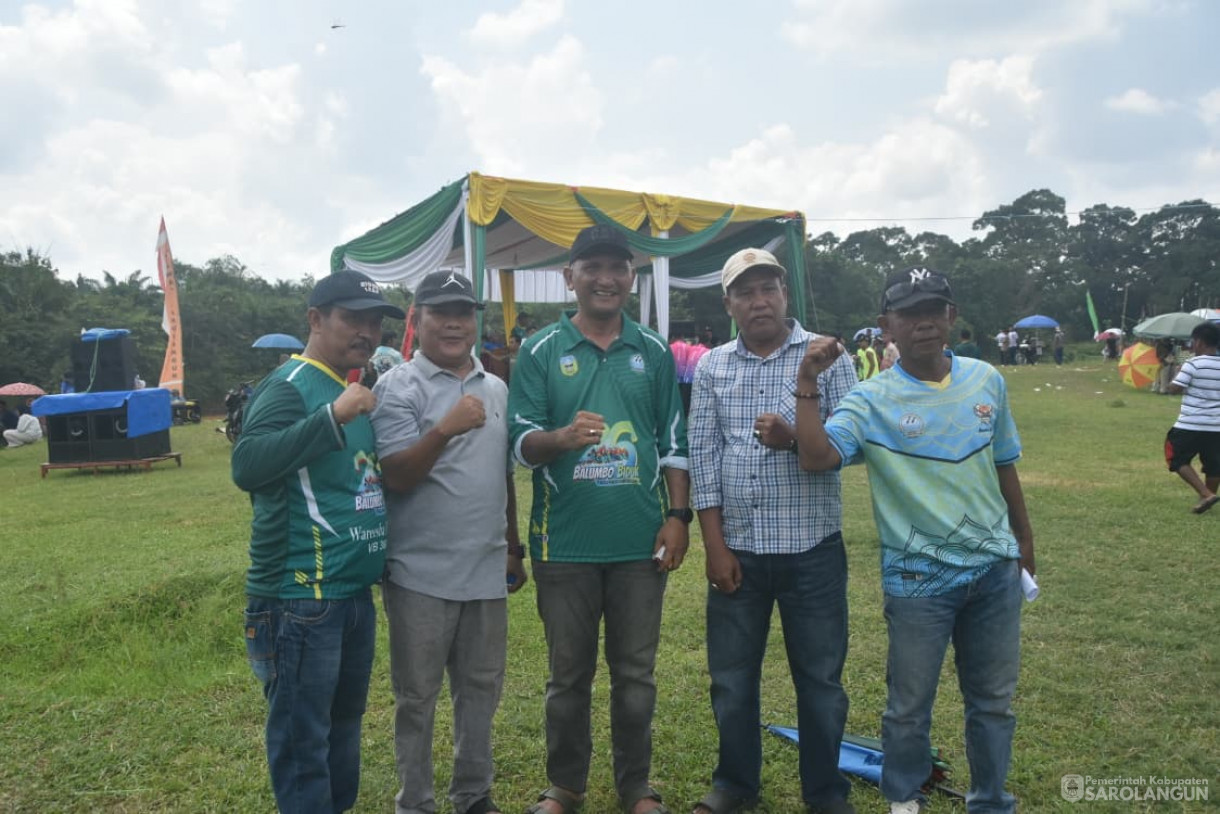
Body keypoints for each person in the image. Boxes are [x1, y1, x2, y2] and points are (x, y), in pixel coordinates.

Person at [793, 266, 1036, 814]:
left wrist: (1024, 542)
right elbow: (815, 458)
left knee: (993, 703)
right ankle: (903, 802)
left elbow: (1005, 466)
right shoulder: (870, 398)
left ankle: (991, 802)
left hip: (995, 571)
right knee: (908, 708)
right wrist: (808, 381)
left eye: (935, 309)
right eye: (910, 313)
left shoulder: (986, 380)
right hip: (918, 579)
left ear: (951, 316)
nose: (924, 322)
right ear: (888, 326)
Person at [507, 224, 691, 814]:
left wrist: (678, 515)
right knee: (568, 679)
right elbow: (518, 442)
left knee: (635, 676)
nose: (606, 278)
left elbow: (674, 441)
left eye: (619, 268)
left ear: (630, 279)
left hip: (640, 543)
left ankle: (636, 787)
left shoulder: (653, 351)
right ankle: (565, 788)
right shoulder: (539, 351)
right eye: (593, 267)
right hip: (564, 543)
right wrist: (559, 437)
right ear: (570, 277)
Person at [688, 248, 859, 814]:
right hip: (738, 549)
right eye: (745, 292)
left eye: (768, 289)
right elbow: (703, 458)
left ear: (786, 294)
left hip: (812, 550)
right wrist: (714, 546)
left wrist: (794, 438)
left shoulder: (828, 357)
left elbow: (838, 451)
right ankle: (735, 786)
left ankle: (825, 793)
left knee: (820, 683)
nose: (758, 301)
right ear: (729, 302)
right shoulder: (713, 366)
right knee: (732, 681)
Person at [231, 269, 405, 814]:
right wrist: (333, 415)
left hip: (349, 594)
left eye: (375, 322)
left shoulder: (347, 385)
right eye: (353, 318)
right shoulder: (290, 387)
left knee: (342, 729)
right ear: (314, 319)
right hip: (299, 596)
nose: (367, 332)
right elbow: (248, 465)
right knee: (304, 740)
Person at [371, 270, 526, 814]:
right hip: (420, 573)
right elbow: (396, 476)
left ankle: (473, 795)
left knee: (481, 691)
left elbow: (501, 473)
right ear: (419, 319)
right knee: (417, 698)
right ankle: (415, 802)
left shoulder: (496, 387)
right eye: (441, 312)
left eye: (464, 311)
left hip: (485, 569)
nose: (455, 322)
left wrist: (513, 544)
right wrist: (445, 428)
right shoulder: (398, 387)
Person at [1165, 321, 1220, 514]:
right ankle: (1206, 498)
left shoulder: (1192, 364)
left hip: (1191, 424)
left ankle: (1206, 494)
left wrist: (1178, 374)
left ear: (1198, 342)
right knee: (1214, 465)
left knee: (1176, 458)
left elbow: (1173, 389)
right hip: (1217, 426)